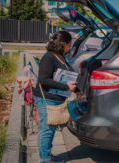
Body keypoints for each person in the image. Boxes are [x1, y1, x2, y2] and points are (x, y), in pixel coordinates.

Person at [33, 31, 77, 163]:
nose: (71, 46)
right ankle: (45, 160)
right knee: (46, 130)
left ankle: (47, 156)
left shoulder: (61, 56)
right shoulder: (49, 57)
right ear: (64, 44)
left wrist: (78, 91)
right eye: (70, 44)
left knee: (50, 129)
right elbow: (43, 79)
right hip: (46, 98)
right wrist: (66, 87)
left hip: (55, 98)